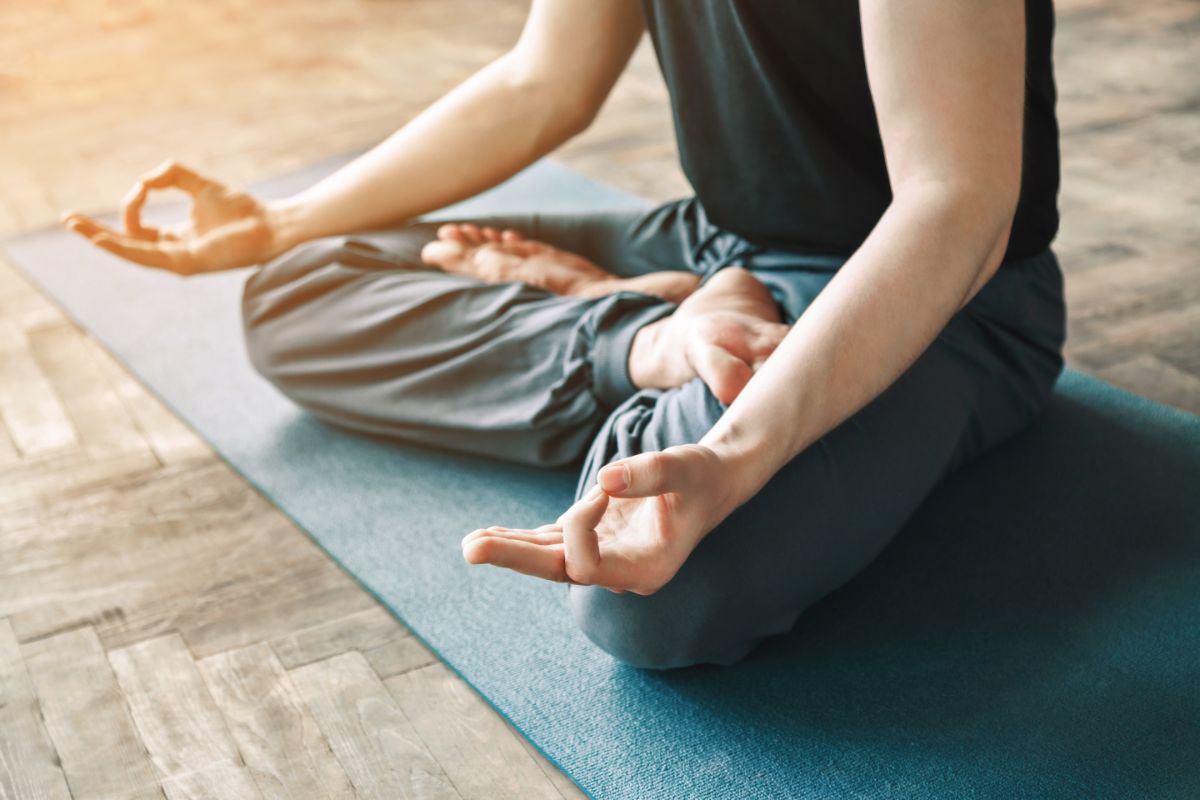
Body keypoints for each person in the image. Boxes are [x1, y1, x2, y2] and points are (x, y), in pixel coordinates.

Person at [62, 0, 1065, 669]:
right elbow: (539, 82)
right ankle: (652, 335)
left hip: (943, 294)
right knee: (298, 290)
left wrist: (730, 455)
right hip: (724, 245)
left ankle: (643, 327)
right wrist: (282, 221)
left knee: (656, 588)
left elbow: (956, 203)